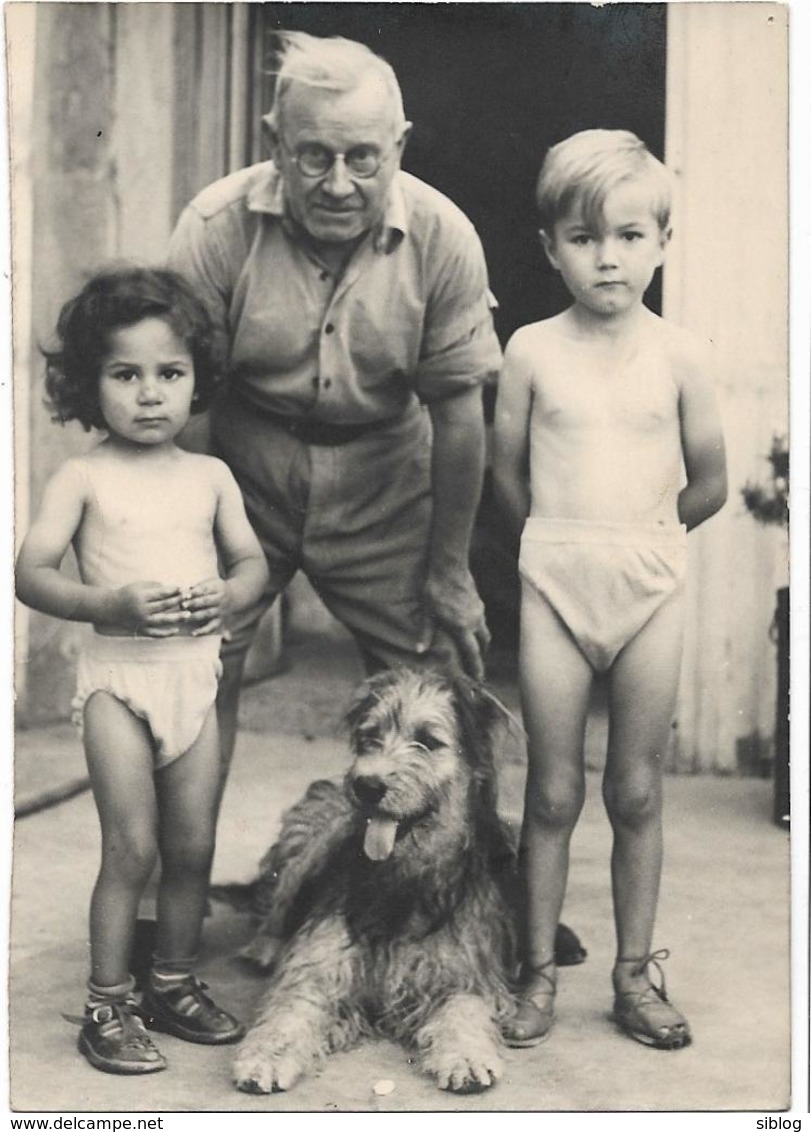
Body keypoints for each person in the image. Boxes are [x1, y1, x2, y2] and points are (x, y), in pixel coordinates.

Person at [167, 31, 500, 783]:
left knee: (436, 683)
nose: (340, 184)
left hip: (386, 475)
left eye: (363, 158)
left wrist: (449, 569)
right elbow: (185, 404)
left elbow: (458, 414)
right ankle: (172, 893)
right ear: (274, 142)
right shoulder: (213, 229)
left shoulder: (445, 238)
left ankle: (425, 897)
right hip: (242, 469)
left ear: (400, 145)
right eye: (314, 156)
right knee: (191, 666)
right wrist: (185, 539)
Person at [492, 130, 727, 1050]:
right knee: (551, 793)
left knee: (635, 791)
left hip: (648, 583)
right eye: (584, 238)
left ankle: (633, 978)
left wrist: (648, 543)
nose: (608, 257)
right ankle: (535, 974)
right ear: (550, 245)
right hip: (555, 577)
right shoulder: (530, 350)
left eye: (630, 236)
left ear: (663, 242)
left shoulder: (679, 354)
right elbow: (506, 476)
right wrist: (553, 546)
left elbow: (707, 478)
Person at [15, 268, 269, 1074]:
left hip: (193, 680)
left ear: (198, 378)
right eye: (125, 375)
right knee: (131, 847)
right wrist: (109, 603)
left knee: (191, 846)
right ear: (89, 384)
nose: (150, 394)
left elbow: (253, 565)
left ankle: (173, 980)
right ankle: (107, 1004)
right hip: (119, 685)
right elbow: (30, 573)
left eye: (170, 373)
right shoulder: (83, 477)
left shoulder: (210, 477)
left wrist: (229, 595)